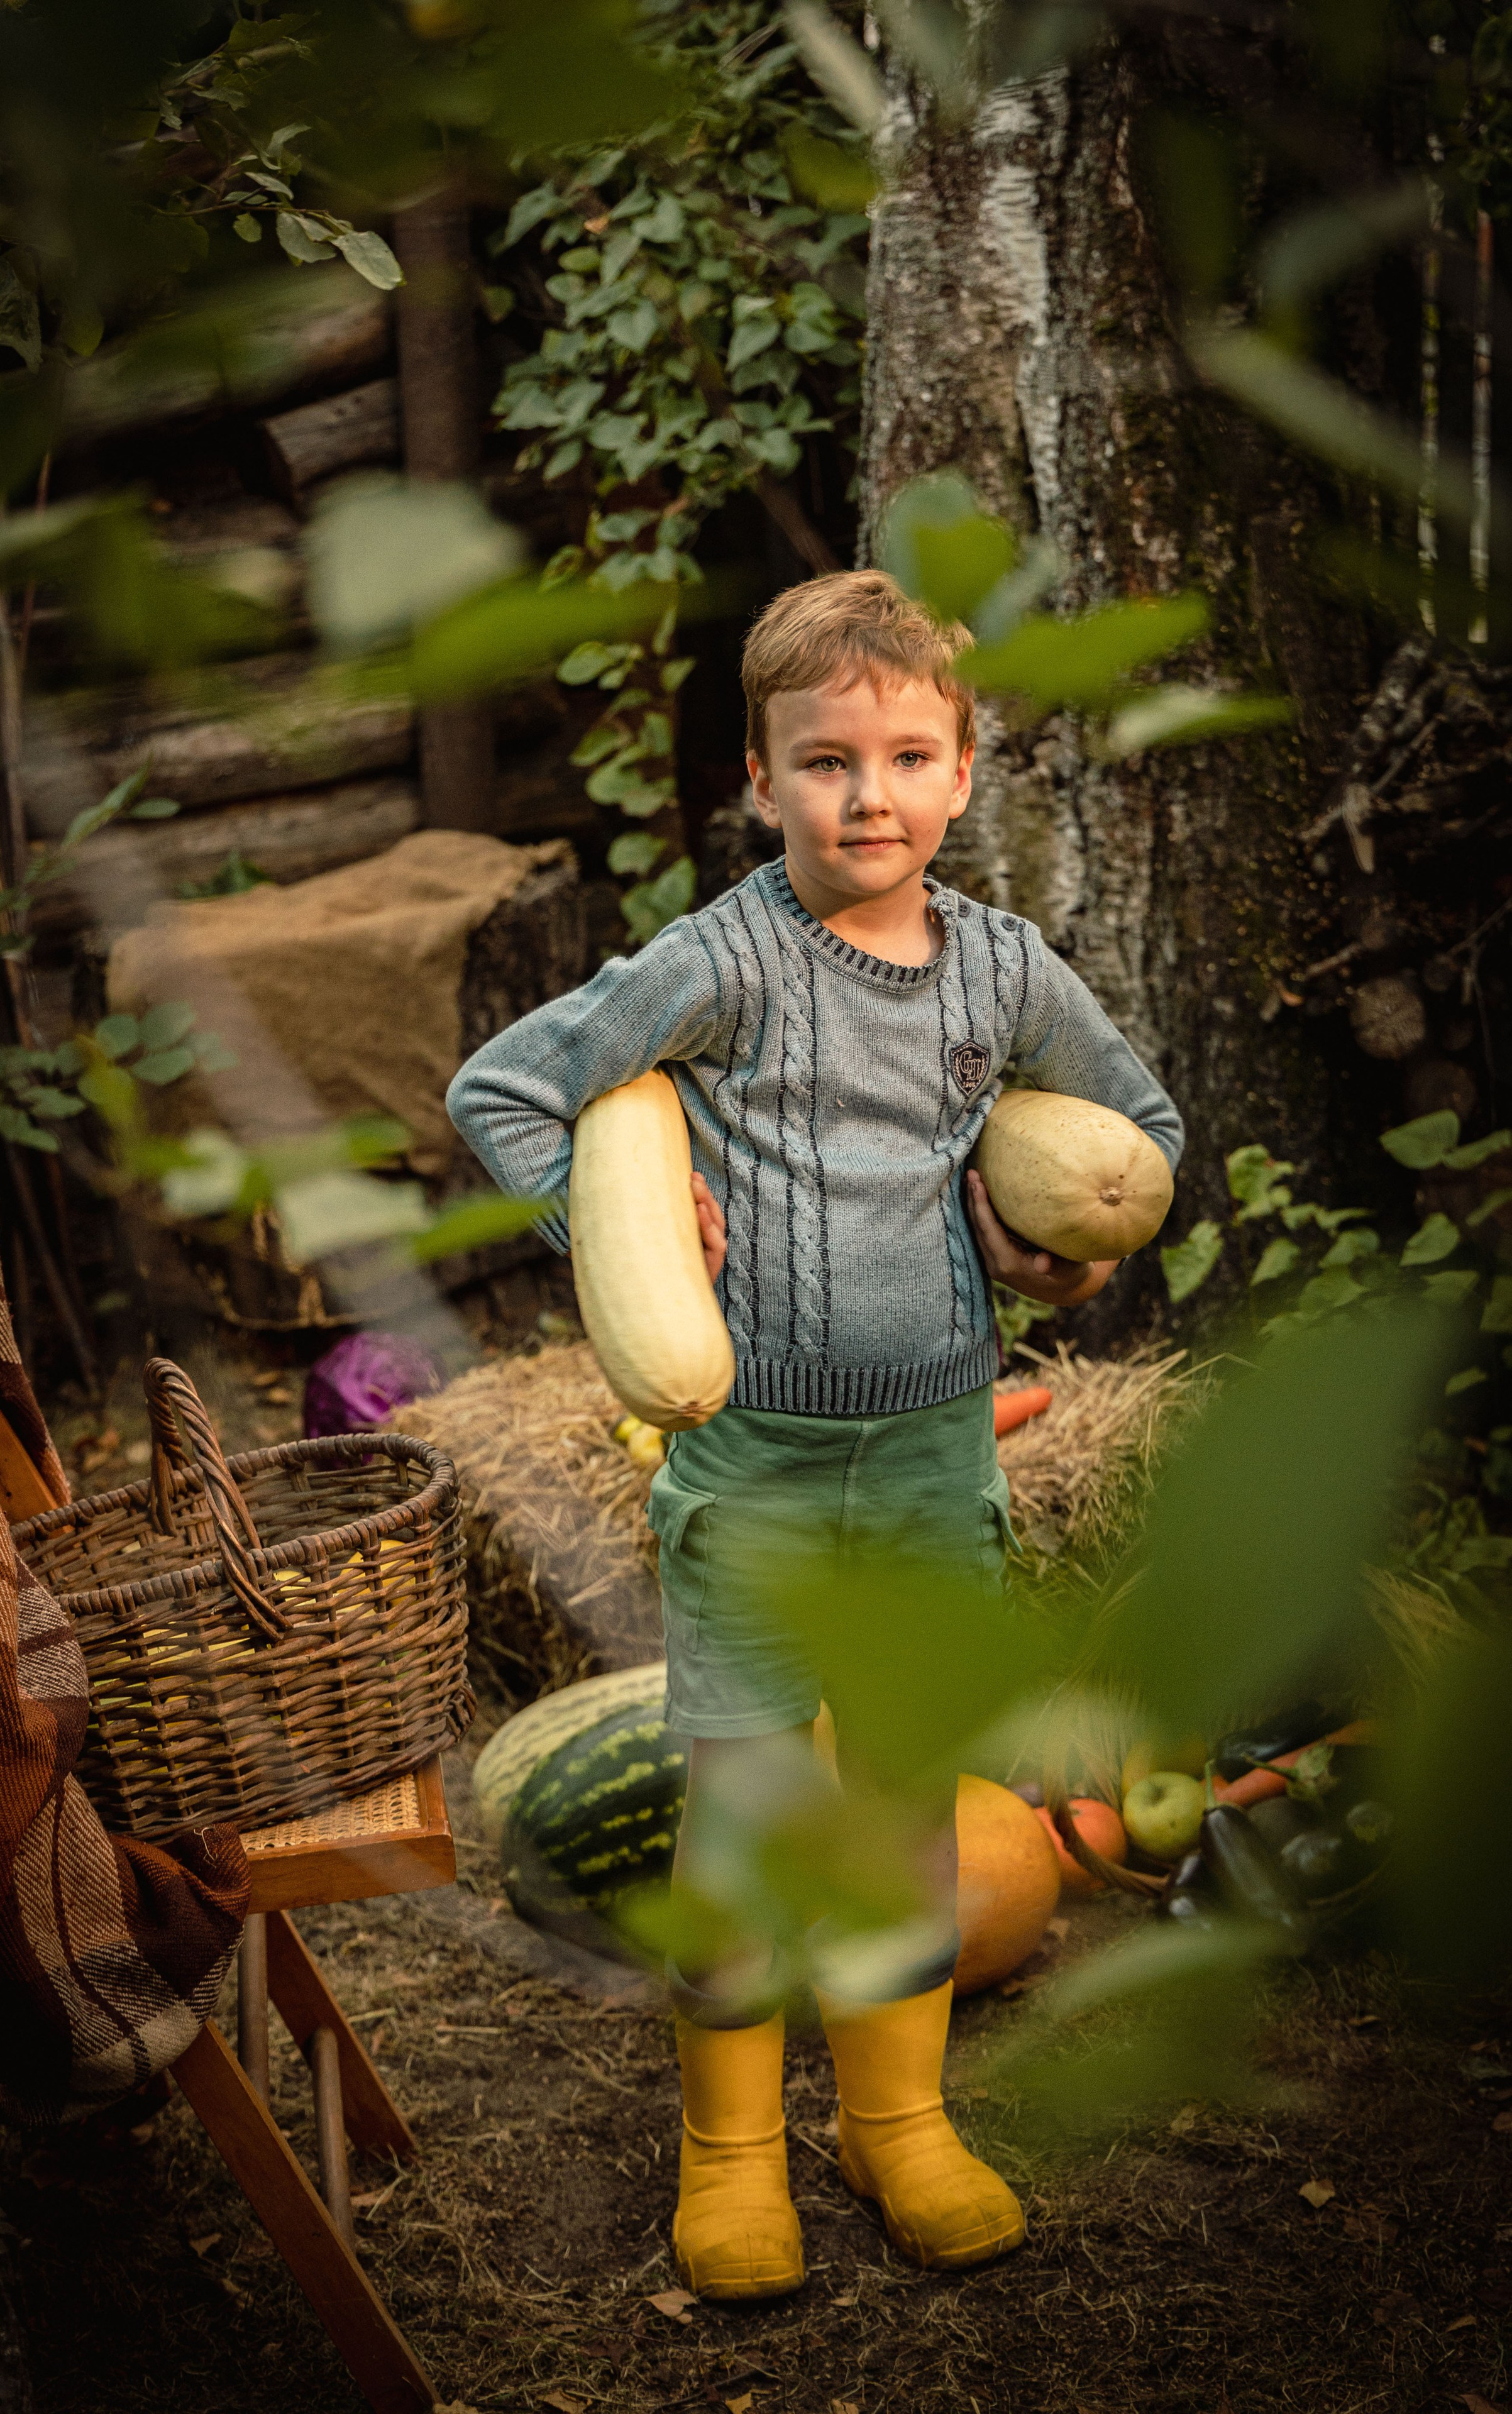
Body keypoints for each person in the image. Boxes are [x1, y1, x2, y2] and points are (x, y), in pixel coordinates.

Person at [446, 569, 1184, 2302]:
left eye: (908, 757)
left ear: (963, 773)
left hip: (934, 1460)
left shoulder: (1004, 970)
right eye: (826, 761)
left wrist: (1054, 1256)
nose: (870, 796)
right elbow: (504, 1089)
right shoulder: (721, 961)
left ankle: (896, 2122)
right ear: (760, 779)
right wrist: (620, 1230)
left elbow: (1140, 1134)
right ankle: (730, 2156)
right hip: (757, 1467)